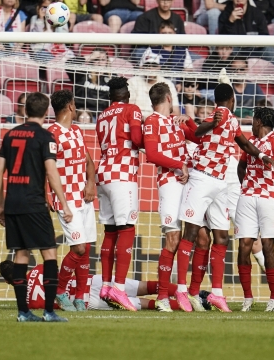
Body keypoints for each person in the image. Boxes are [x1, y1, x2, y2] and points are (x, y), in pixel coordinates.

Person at [177, 83, 274, 312]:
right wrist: (209, 122)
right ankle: (182, 290)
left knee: (221, 237)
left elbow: (244, 144)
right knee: (191, 233)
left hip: (219, 183)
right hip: (201, 177)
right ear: (232, 99)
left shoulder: (232, 120)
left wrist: (262, 155)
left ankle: (217, 294)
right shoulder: (217, 114)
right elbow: (199, 133)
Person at [0, 92, 72, 322]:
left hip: (13, 203)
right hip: (34, 203)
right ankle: (48, 312)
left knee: (20, 255)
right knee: (49, 253)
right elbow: (51, 172)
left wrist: (0, 205)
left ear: (25, 110)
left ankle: (23, 312)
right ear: (46, 111)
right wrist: (64, 204)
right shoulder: (45, 137)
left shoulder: (9, 135)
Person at [142, 82, 198, 312]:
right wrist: (178, 166)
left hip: (189, 183)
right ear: (167, 97)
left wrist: (188, 120)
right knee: (173, 238)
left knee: (198, 235)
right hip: (170, 184)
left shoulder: (175, 121)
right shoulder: (152, 121)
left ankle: (187, 292)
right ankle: (164, 296)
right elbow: (152, 154)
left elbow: (200, 139)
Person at [236, 107, 274, 312]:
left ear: (259, 121)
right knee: (244, 246)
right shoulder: (250, 141)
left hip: (269, 199)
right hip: (247, 198)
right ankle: (247, 298)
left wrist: (273, 185)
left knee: (268, 247)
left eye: (253, 120)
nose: (251, 123)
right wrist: (247, 185)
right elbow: (241, 167)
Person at [95, 77, 144, 312]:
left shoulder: (102, 115)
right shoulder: (132, 110)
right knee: (127, 229)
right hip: (122, 174)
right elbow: (135, 139)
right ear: (126, 94)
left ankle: (105, 286)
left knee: (110, 230)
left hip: (102, 174)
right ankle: (119, 288)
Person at [47, 90, 97, 312]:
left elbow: (88, 162)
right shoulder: (51, 134)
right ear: (70, 107)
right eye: (75, 105)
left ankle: (79, 297)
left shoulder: (76, 131)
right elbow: (43, 169)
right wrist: (46, 195)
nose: (76, 108)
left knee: (85, 249)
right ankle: (59, 291)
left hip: (83, 197)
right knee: (78, 248)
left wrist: (90, 183)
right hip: (65, 200)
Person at [0, 260, 214, 311]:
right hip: (90, 283)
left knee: (140, 303)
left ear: (9, 282)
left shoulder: (27, 302)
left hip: (85, 300)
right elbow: (62, 274)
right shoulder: (38, 268)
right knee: (143, 285)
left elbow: (54, 304)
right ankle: (194, 294)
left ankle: (199, 305)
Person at [128, 49, 181, 119]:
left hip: (161, 122)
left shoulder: (168, 83)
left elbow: (176, 112)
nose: (150, 68)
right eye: (147, 65)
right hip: (138, 121)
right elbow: (129, 108)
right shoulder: (132, 82)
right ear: (142, 67)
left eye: (154, 65)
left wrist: (154, 121)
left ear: (159, 67)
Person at [74, 48, 112, 120]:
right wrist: (91, 57)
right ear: (91, 61)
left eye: (103, 60)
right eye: (96, 59)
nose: (99, 62)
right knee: (85, 116)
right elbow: (69, 64)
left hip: (105, 115)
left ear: (107, 62)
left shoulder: (112, 77)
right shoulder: (83, 74)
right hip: (84, 113)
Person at [229, 58, 265, 122]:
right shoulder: (227, 88)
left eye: (241, 69)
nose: (238, 72)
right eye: (235, 69)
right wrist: (241, 120)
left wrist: (253, 119)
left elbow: (263, 108)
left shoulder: (254, 87)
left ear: (247, 69)